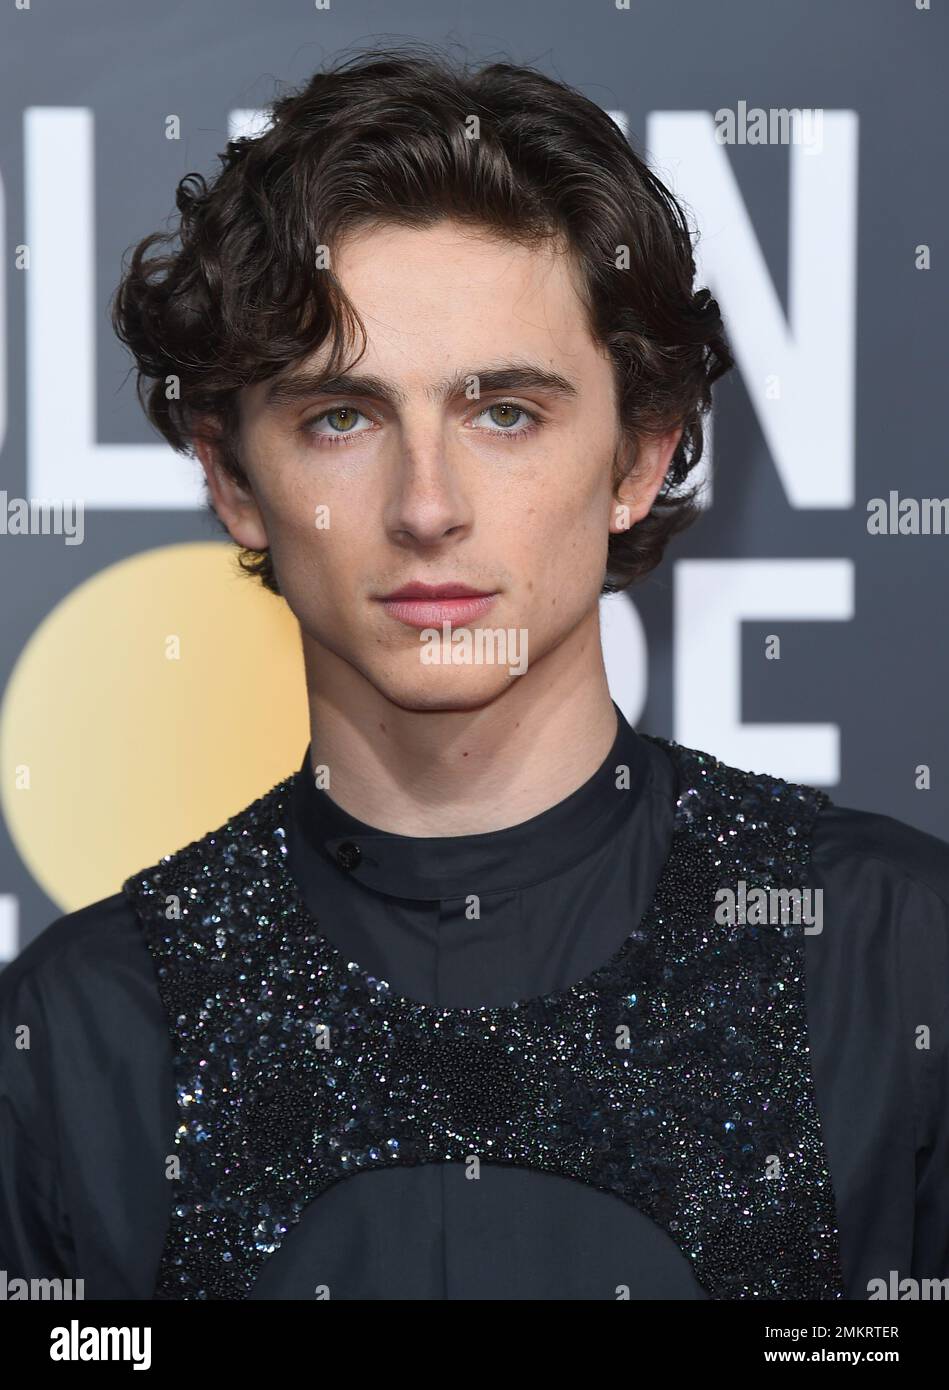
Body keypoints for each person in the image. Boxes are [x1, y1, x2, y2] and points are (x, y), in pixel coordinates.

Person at [1, 43, 947, 1302]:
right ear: (234, 479)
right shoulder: (79, 1028)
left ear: (639, 459)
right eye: (342, 415)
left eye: (505, 411)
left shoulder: (894, 951)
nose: (426, 507)